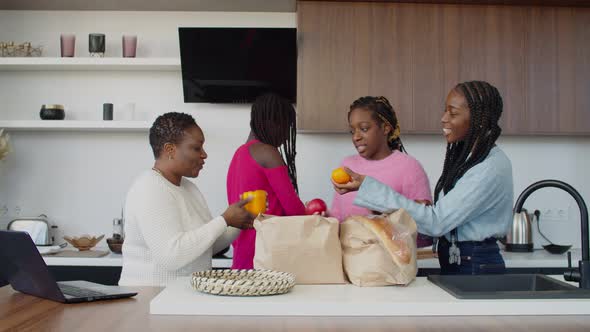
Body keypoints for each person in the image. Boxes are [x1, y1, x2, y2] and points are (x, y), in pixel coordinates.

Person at [333, 81, 513, 275]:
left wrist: (368, 188)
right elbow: (439, 220)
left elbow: (437, 222)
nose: (443, 119)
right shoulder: (470, 159)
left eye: (452, 113)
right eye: (445, 111)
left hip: (475, 265)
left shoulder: (489, 167)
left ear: (479, 119)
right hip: (461, 259)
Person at [119, 112, 255, 286]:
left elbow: (205, 248)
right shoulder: (149, 188)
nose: (204, 155)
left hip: (180, 298)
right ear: (170, 149)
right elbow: (171, 256)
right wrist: (224, 219)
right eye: (196, 148)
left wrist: (237, 222)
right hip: (150, 300)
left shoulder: (189, 188)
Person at [330, 96, 433, 247]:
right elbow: (338, 217)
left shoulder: (409, 167)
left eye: (364, 129)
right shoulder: (347, 165)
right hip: (350, 260)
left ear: (385, 128)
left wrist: (385, 216)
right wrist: (324, 217)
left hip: (390, 263)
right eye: (352, 131)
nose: (356, 137)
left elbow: (425, 229)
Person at [227, 93, 306, 269]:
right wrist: (316, 218)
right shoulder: (267, 152)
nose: (287, 136)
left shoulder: (238, 155)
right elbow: (295, 210)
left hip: (242, 253)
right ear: (273, 122)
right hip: (266, 255)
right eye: (287, 127)